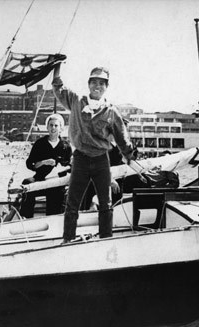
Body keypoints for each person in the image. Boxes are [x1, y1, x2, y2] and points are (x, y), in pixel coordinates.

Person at [52, 65, 136, 243]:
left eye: (102, 83)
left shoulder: (111, 111)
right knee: (72, 203)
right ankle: (68, 240)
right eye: (94, 82)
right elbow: (59, 88)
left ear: (107, 86)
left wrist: (130, 157)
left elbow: (122, 138)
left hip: (101, 161)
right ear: (89, 84)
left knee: (105, 204)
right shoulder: (76, 101)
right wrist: (56, 68)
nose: (98, 86)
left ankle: (106, 240)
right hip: (80, 159)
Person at [19, 113, 72, 218]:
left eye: (56, 125)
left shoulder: (66, 146)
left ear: (61, 128)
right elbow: (29, 163)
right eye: (51, 125)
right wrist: (43, 162)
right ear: (47, 127)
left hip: (56, 183)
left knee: (55, 204)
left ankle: (52, 221)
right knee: (27, 183)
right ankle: (26, 219)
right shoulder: (40, 144)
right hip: (40, 180)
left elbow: (70, 166)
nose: (53, 128)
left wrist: (61, 166)